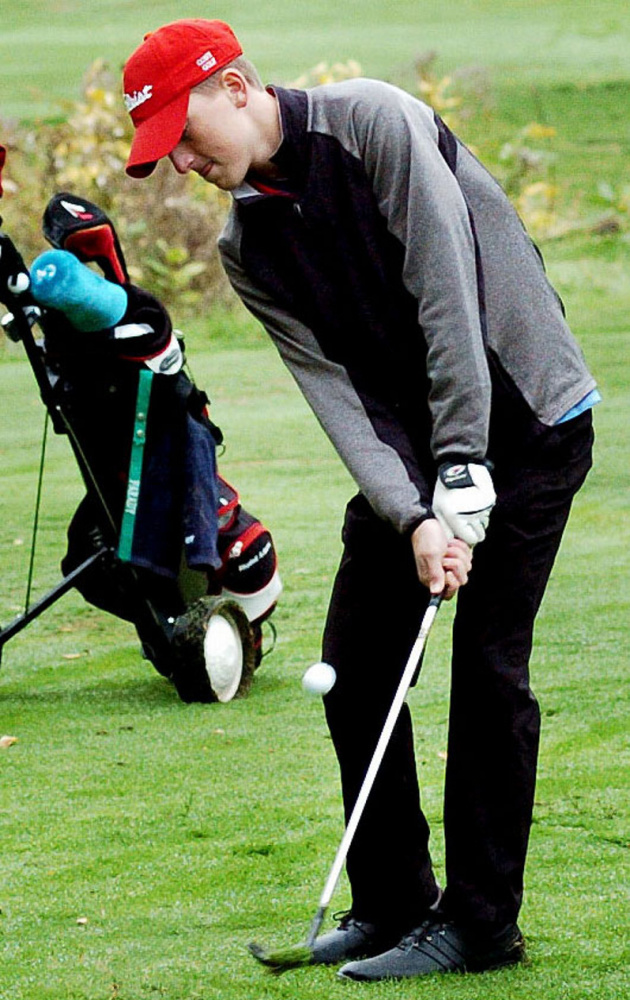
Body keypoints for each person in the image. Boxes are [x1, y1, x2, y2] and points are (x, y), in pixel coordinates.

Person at [121, 19, 598, 981]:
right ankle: (391, 904)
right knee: (357, 661)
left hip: (529, 419)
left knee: (489, 670)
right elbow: (339, 393)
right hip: (423, 453)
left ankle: (480, 924)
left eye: (184, 128)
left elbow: (446, 292)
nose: (180, 158)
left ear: (240, 84)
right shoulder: (249, 247)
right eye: (161, 146)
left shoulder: (373, 124)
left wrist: (463, 466)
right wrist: (414, 514)